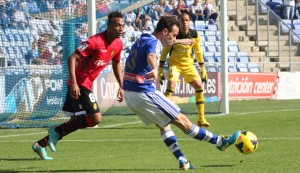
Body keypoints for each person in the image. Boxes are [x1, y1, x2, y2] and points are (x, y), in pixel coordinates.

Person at [123, 16, 241, 170]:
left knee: (163, 125)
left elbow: (164, 43)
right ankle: (219, 142)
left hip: (130, 95)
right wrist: (154, 68)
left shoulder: (143, 38)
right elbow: (152, 55)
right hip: (143, 92)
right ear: (165, 31)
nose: (175, 38)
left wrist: (179, 41)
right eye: (174, 35)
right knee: (183, 122)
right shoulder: (154, 43)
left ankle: (182, 160)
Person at [32, 11, 125, 160]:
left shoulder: (118, 44)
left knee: (74, 121)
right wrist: (74, 83)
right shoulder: (94, 41)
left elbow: (116, 63)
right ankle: (55, 133)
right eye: (117, 25)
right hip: (79, 84)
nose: (121, 28)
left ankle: (41, 144)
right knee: (95, 118)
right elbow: (72, 58)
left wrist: (121, 85)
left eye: (122, 25)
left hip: (84, 84)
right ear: (108, 26)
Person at [159, 11, 210, 127]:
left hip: (188, 65)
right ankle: (161, 117)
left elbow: (198, 51)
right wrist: (160, 69)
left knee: (199, 87)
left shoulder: (195, 35)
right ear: (179, 21)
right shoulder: (174, 34)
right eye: (182, 20)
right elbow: (165, 51)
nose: (184, 22)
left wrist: (203, 69)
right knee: (171, 86)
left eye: (187, 20)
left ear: (190, 21)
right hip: (175, 65)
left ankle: (201, 118)